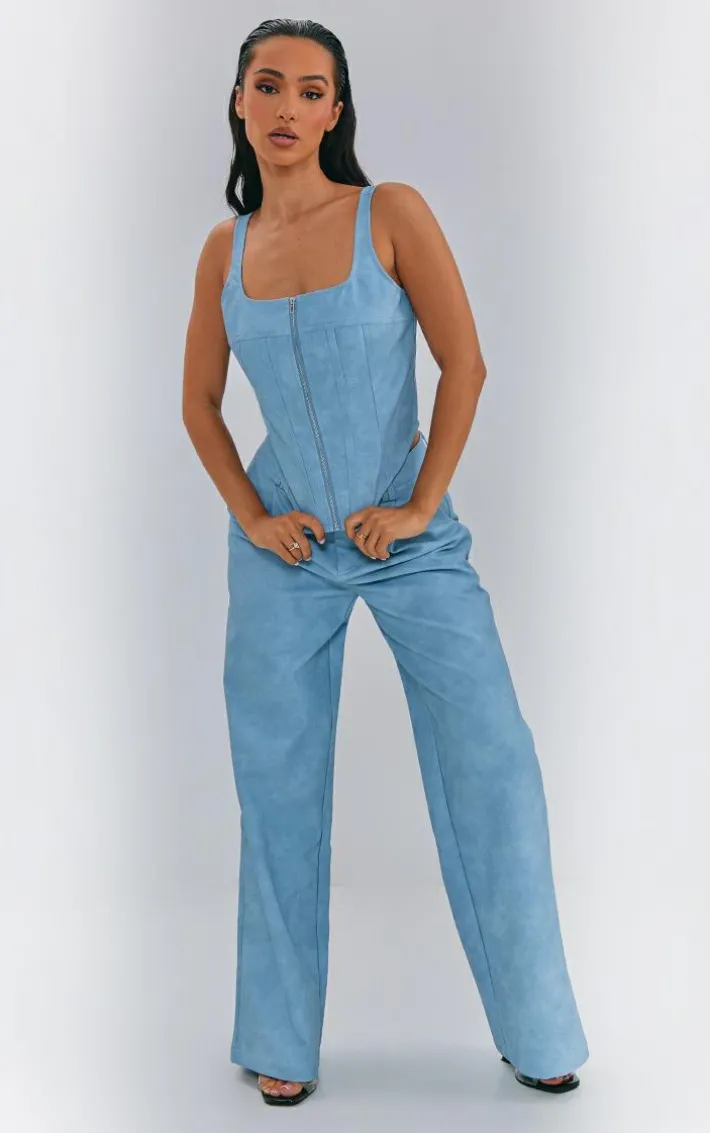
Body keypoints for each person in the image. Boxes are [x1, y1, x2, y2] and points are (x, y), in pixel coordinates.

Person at [182, 16, 589, 1109]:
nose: (287, 106)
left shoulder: (389, 213)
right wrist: (252, 517)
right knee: (277, 789)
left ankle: (539, 1028)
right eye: (268, 84)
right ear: (239, 100)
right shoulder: (225, 251)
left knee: (493, 762)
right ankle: (277, 1037)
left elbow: (465, 363)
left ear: (336, 111)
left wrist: (416, 505)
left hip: (406, 544)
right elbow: (199, 403)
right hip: (286, 547)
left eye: (311, 90)